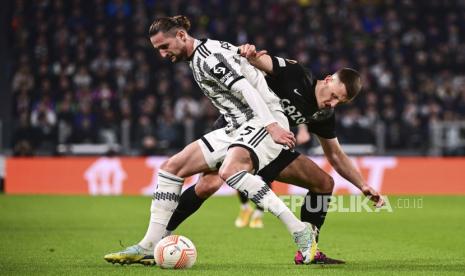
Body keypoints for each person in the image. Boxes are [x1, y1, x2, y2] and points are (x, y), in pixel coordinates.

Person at [105, 40, 385, 265]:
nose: (333, 104)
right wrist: (248, 52)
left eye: (341, 102)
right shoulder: (296, 74)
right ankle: (159, 238)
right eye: (334, 95)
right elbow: (257, 59)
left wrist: (363, 185)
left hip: (272, 141)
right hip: (241, 125)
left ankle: (308, 249)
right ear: (327, 79)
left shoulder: (322, 115)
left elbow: (335, 155)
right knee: (206, 185)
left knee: (324, 183)